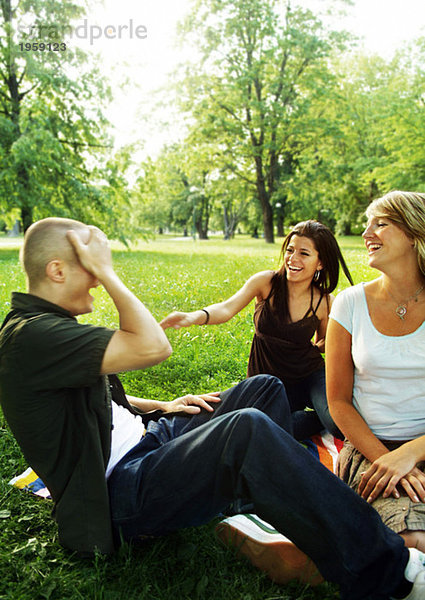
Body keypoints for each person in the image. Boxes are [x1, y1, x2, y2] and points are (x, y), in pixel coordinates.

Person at [0, 217, 424, 600]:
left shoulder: (45, 328)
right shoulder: (32, 337)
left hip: (150, 438)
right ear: (57, 271)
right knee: (246, 429)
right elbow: (152, 345)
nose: (95, 279)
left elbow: (97, 400)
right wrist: (109, 273)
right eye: (89, 267)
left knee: (262, 389)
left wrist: (164, 405)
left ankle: (269, 498)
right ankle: (393, 573)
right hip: (119, 490)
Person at [161, 220, 353, 440]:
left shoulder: (324, 302)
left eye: (304, 253)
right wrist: (193, 316)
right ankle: (299, 419)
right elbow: (226, 308)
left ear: (320, 263)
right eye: (290, 250)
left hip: (310, 376)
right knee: (260, 426)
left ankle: (319, 417)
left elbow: (324, 344)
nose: (293, 259)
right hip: (268, 382)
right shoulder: (266, 283)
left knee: (338, 423)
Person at [326, 191, 425, 556]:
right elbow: (337, 402)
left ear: (414, 233)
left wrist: (411, 454)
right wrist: (388, 458)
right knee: (411, 539)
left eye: (380, 223)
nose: (367, 232)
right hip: (372, 449)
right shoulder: (349, 303)